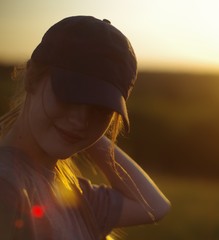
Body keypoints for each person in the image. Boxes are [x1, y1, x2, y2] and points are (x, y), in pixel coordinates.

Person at [0, 15, 170, 239]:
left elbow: (152, 206)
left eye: (101, 110)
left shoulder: (73, 196)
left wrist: (86, 135)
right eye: (69, 96)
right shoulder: (7, 185)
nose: (81, 120)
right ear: (31, 76)